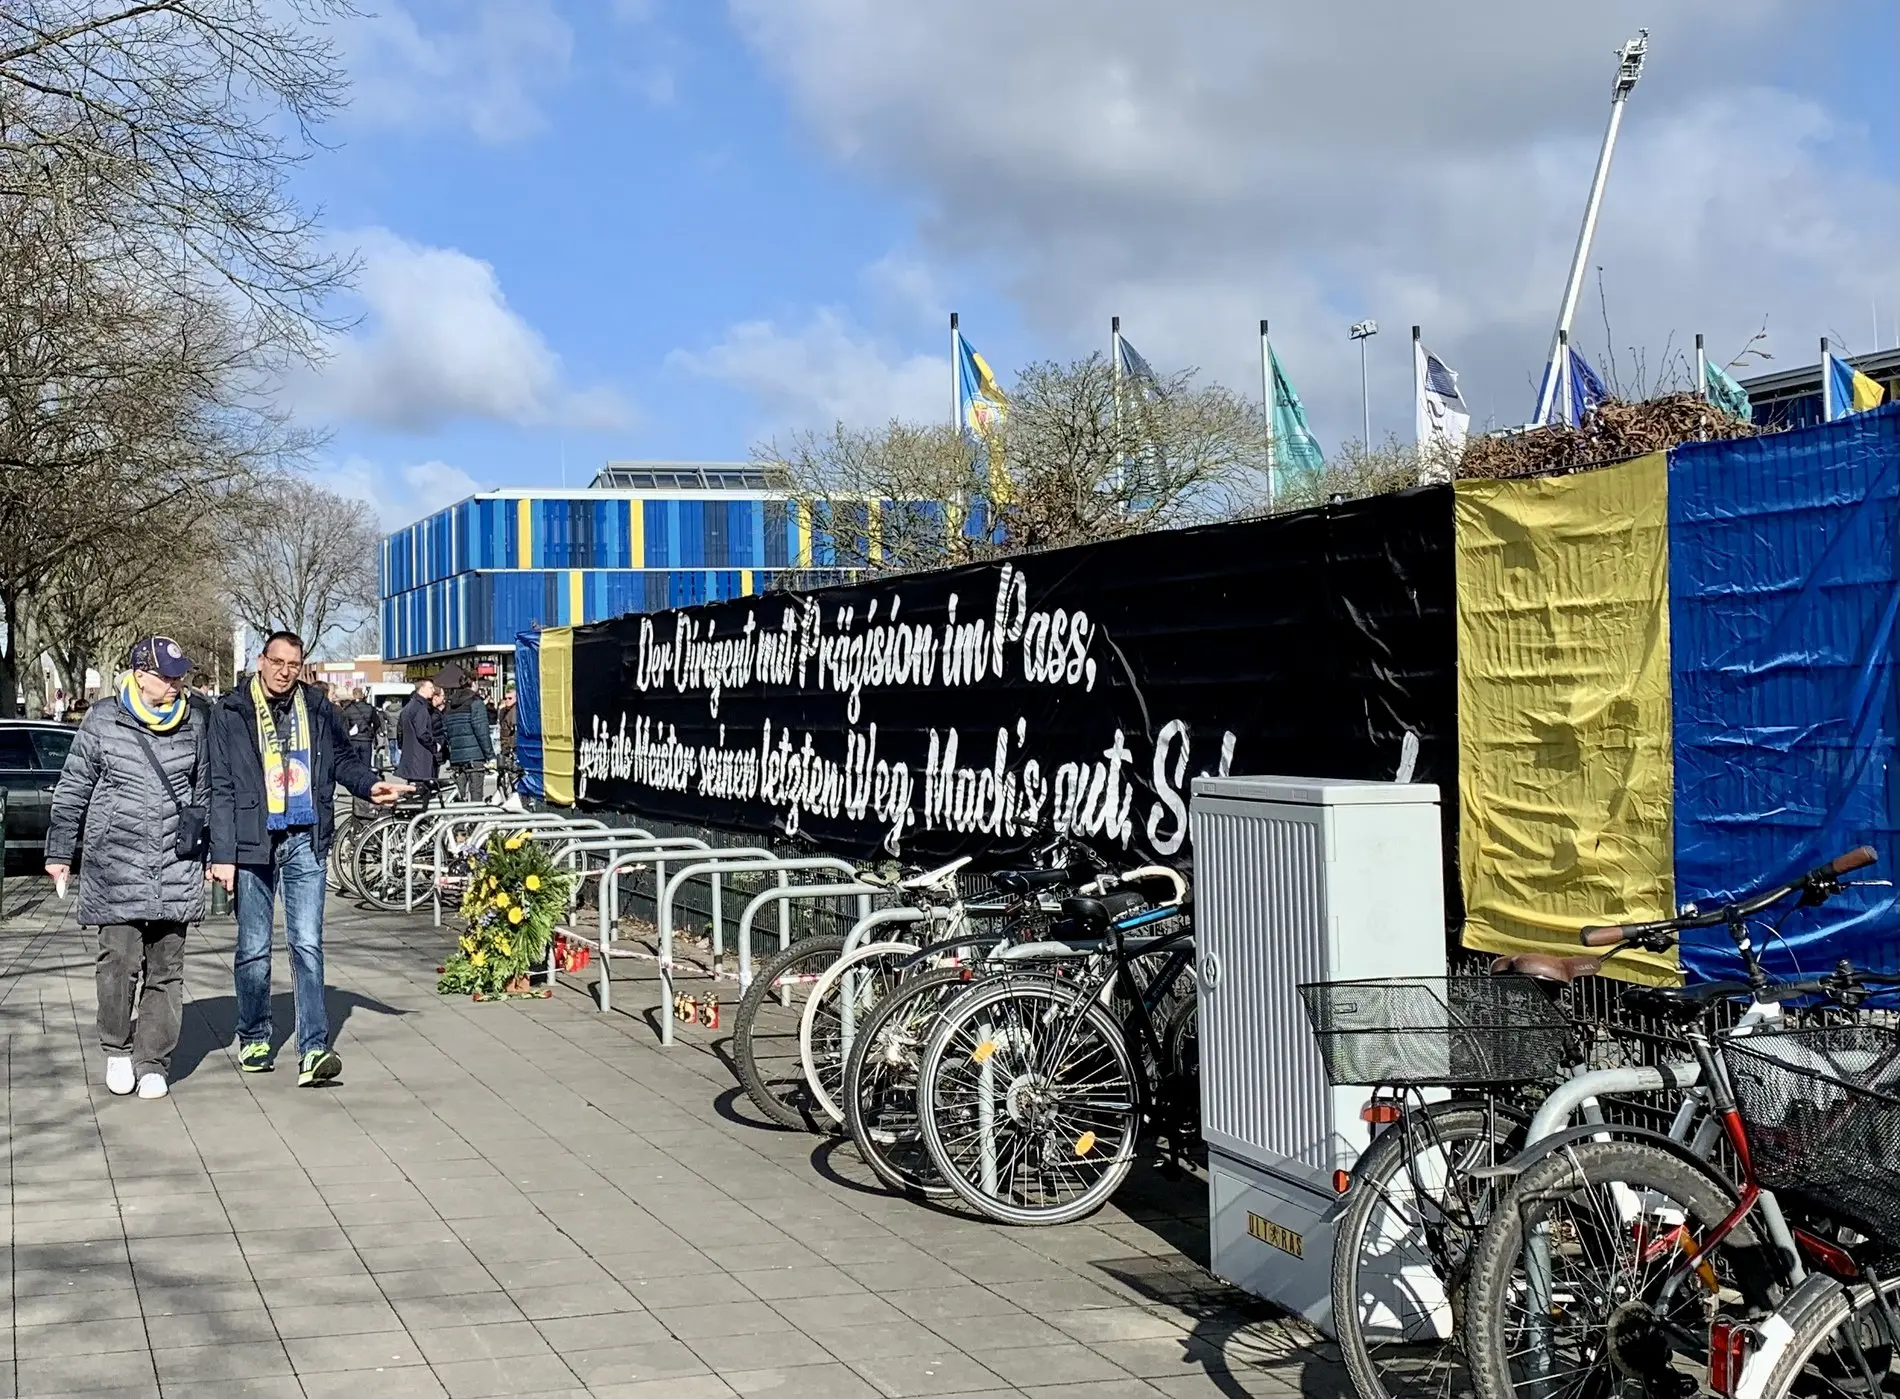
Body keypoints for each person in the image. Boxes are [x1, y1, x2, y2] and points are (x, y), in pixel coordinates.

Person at [207, 630, 408, 1086]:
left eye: (293, 665)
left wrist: (369, 784)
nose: (284, 672)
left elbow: (341, 760)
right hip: (252, 842)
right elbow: (218, 783)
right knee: (254, 949)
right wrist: (222, 854)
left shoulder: (317, 707)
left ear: (302, 667)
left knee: (308, 944)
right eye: (277, 662)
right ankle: (255, 1034)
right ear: (261, 662)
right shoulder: (231, 711)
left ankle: (314, 1048)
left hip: (304, 838)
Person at [45, 637, 209, 1100]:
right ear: (140, 674)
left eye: (181, 675)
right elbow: (74, 785)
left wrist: (216, 857)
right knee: (118, 963)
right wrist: (60, 853)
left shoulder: (196, 719)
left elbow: (205, 792)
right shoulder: (103, 718)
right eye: (168, 675)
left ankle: (153, 1059)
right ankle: (117, 1048)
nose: (177, 684)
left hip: (175, 865)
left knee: (166, 969)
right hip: (113, 863)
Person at [438, 667, 495, 800]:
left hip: (457, 758)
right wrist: (490, 755)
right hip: (475, 757)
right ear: (473, 683)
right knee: (476, 795)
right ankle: (475, 820)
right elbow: (482, 731)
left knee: (459, 795)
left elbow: (445, 730)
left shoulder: (450, 704)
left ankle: (459, 820)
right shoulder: (476, 702)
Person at [395, 680, 440, 783]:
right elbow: (422, 733)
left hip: (410, 759)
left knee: (413, 792)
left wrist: (402, 746)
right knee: (422, 793)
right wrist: (434, 745)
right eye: (431, 688)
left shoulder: (408, 707)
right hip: (420, 760)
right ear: (422, 688)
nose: (433, 691)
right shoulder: (421, 708)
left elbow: (400, 731)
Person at [337, 686, 382, 774]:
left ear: (353, 695)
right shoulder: (369, 708)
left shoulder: (348, 709)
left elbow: (344, 726)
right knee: (366, 765)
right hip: (366, 739)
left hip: (353, 740)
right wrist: (372, 731)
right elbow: (377, 722)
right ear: (362, 695)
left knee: (354, 764)